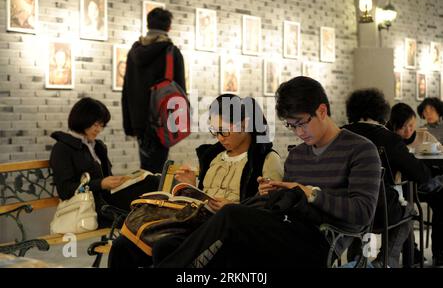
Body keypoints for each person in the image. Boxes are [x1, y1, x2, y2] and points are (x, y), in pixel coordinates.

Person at [155, 76, 381, 268]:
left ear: (322, 111)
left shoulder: (361, 149)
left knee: (231, 216)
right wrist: (272, 194)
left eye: (301, 123)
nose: (298, 132)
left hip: (323, 240)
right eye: (291, 126)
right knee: (169, 245)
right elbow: (289, 203)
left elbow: (362, 214)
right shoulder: (298, 155)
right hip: (287, 229)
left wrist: (311, 193)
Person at [109, 94, 283, 268]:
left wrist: (233, 207)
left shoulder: (265, 159)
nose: (219, 138)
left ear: (244, 125)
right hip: (195, 223)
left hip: (227, 232)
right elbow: (204, 196)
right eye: (214, 131)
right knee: (123, 246)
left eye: (224, 131)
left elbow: (267, 214)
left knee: (166, 246)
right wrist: (191, 187)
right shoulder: (213, 157)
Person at [343, 89, 443, 267]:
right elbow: (419, 173)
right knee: (409, 210)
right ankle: (386, 260)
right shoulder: (389, 138)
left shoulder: (339, 135)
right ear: (383, 112)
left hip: (342, 208)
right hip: (380, 210)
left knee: (360, 219)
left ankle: (357, 260)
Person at [49, 97, 159, 227]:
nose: (99, 130)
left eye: (101, 125)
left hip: (107, 198)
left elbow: (105, 179)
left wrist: (119, 181)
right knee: (146, 207)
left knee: (152, 181)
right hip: (91, 206)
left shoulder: (96, 146)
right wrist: (100, 184)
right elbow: (65, 190)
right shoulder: (63, 148)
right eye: (95, 125)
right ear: (82, 120)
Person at [122, 7, 185, 173]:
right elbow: (180, 92)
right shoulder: (171, 52)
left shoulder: (133, 52)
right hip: (162, 120)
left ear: (148, 25)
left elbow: (126, 90)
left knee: (147, 169)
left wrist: (130, 125)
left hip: (140, 123)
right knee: (157, 172)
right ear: (169, 27)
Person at [387, 102, 443, 266]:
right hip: (400, 188)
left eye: (411, 125)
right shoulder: (391, 141)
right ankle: (413, 252)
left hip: (426, 186)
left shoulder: (425, 136)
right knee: (403, 209)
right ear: (394, 126)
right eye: (403, 127)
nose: (408, 131)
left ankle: (440, 252)